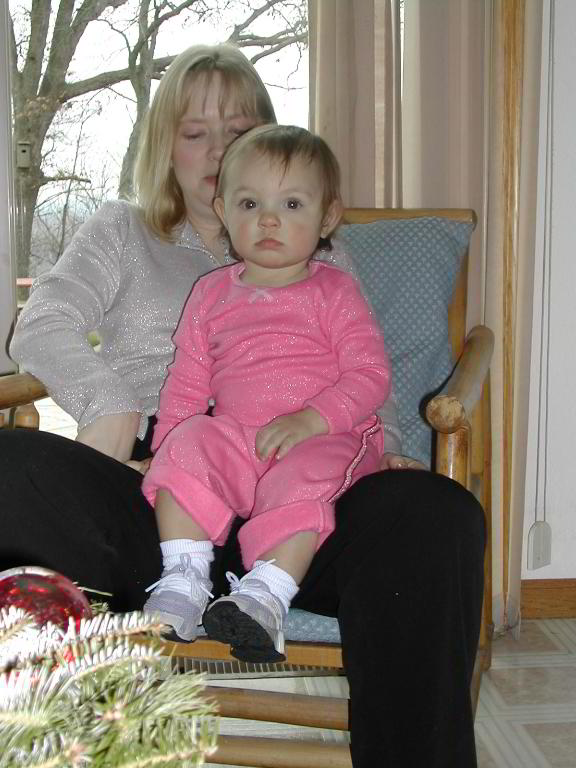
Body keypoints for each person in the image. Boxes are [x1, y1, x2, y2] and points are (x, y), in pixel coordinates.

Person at [0, 42, 485, 767]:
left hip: (304, 499)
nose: (218, 150)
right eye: (196, 132)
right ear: (164, 147)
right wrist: (114, 411)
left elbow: (361, 364)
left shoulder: (322, 256)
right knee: (9, 464)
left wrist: (382, 447)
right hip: (162, 494)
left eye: (238, 130)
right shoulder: (122, 230)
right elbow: (41, 324)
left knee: (435, 513)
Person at [141, 125, 392, 659]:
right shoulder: (210, 293)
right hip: (240, 440)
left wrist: (313, 419)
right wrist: (165, 452)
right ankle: (184, 580)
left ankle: (266, 596)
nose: (269, 220)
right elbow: (187, 384)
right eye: (250, 203)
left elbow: (370, 374)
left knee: (305, 473)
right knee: (190, 441)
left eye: (292, 204)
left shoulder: (334, 291)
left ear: (328, 217)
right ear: (223, 211)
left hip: (325, 438)